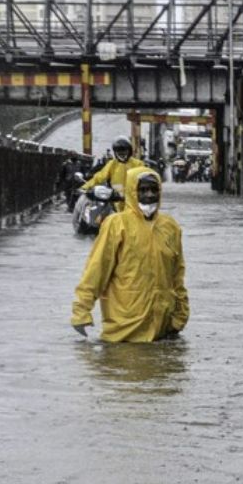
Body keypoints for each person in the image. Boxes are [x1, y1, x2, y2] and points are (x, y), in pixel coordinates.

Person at [70, 167, 189, 343]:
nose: (149, 195)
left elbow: (177, 275)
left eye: (154, 190)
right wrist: (81, 311)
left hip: (162, 330)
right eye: (143, 190)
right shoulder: (116, 224)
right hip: (123, 331)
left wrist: (180, 315)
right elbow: (97, 269)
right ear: (133, 191)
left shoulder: (170, 227)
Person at [80, 136, 145, 211]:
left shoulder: (138, 164)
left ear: (129, 151)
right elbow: (100, 176)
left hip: (134, 202)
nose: (122, 153)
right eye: (119, 151)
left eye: (124, 150)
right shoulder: (112, 164)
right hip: (115, 202)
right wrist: (85, 187)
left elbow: (147, 178)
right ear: (115, 152)